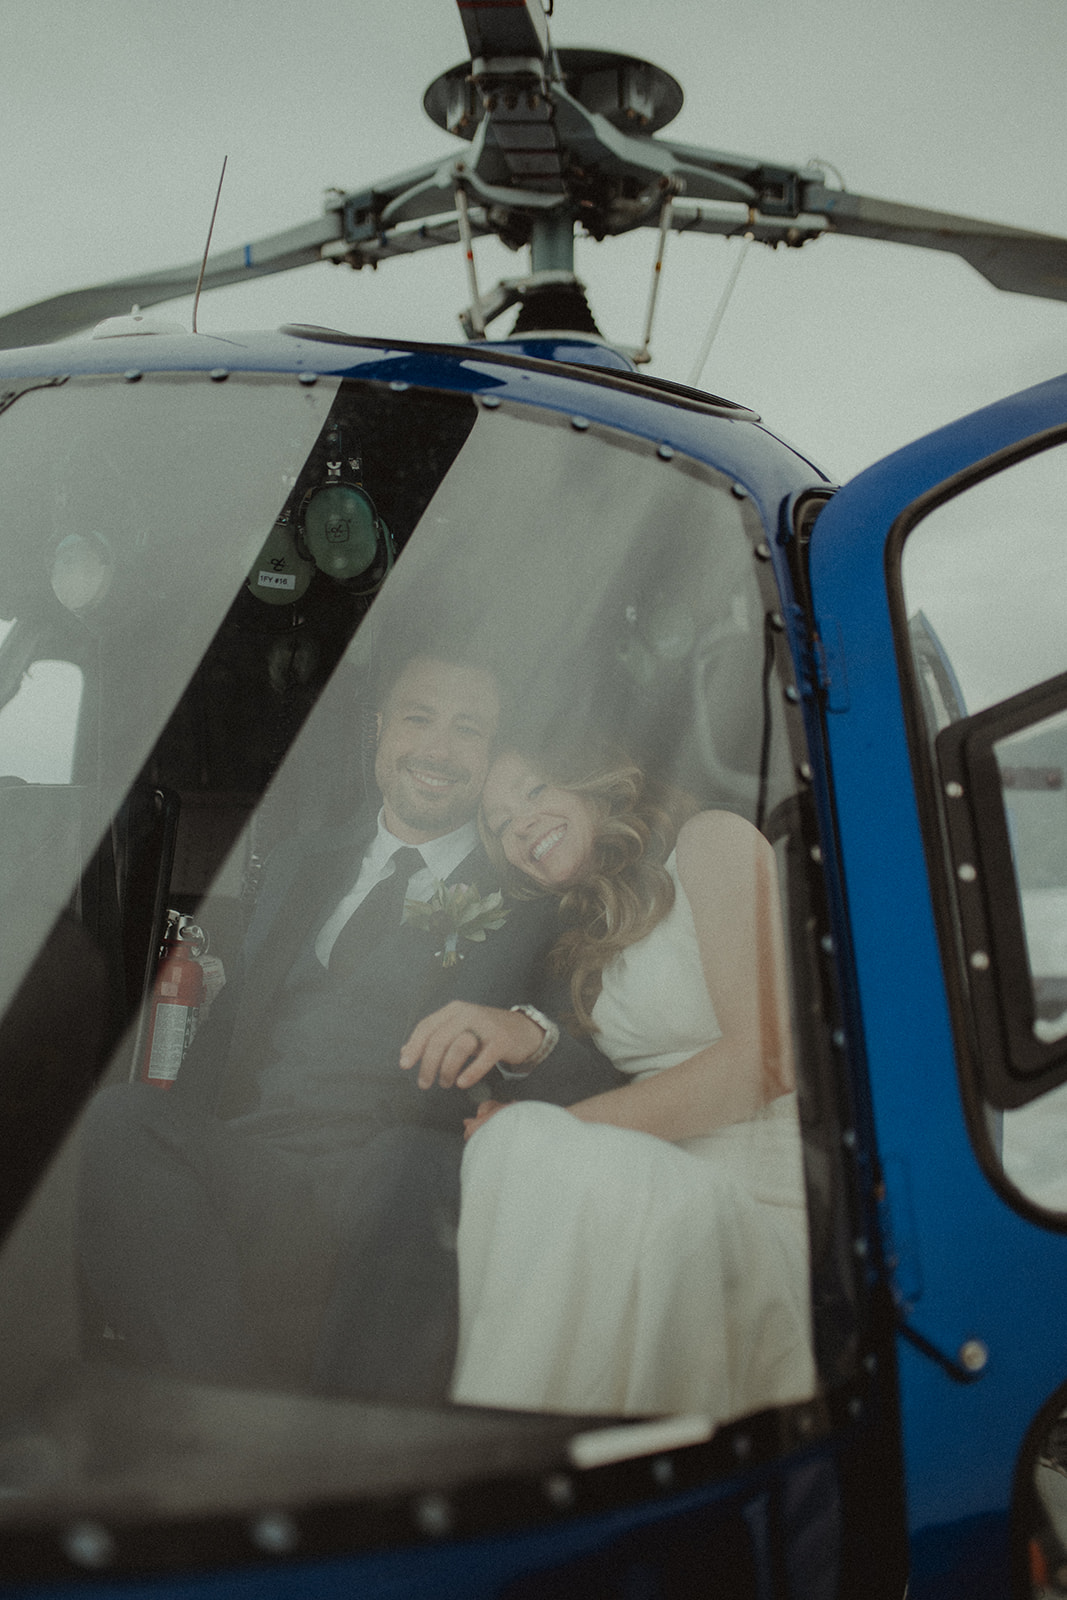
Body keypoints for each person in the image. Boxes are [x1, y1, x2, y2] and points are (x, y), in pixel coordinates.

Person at [78, 652, 622, 1402]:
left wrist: (527, 1032)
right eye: (418, 717)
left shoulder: (528, 891)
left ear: (492, 755)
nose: (437, 747)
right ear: (378, 731)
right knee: (117, 1123)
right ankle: (239, 1425)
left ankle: (335, 1454)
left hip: (400, 1186)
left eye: (469, 729)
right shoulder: (304, 862)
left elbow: (600, 1059)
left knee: (407, 1163)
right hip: (260, 1174)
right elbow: (227, 1031)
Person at [407, 739, 815, 1420]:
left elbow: (763, 1060)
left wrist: (556, 1135)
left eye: (533, 792)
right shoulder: (586, 942)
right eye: (502, 825)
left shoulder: (710, 843)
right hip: (650, 1190)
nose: (521, 826)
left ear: (593, 781)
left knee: (523, 1146)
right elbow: (602, 1078)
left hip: (757, 1206)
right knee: (498, 1155)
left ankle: (502, 1454)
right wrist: (525, 1044)